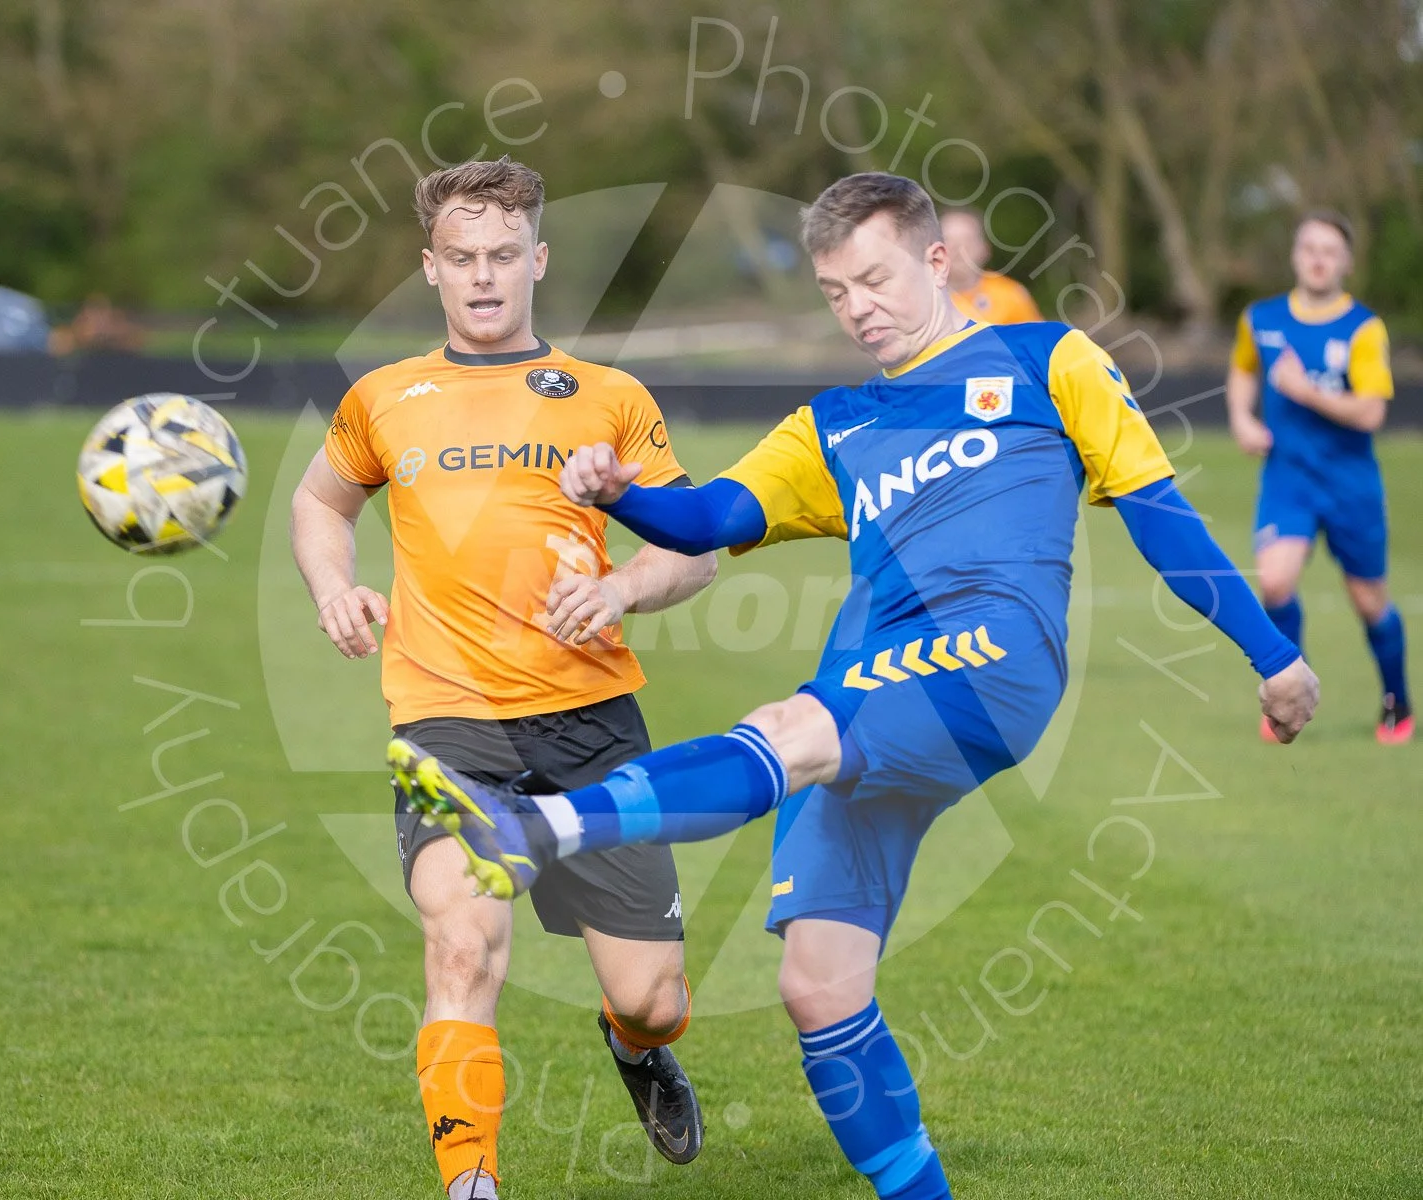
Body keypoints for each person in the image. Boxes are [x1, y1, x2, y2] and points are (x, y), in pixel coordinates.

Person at [387, 172, 1320, 1200]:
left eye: (873, 278)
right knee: (819, 987)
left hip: (993, 658)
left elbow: (1159, 514)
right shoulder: (833, 424)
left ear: (934, 260)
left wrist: (1273, 656)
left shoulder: (1044, 360)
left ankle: (533, 832)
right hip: (872, 685)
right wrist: (623, 493)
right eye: (835, 291)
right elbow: (710, 521)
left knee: (789, 726)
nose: (857, 306)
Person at [290, 156, 716, 1200]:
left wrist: (623, 591)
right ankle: (469, 1180)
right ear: (428, 268)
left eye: (502, 257)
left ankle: (633, 1044)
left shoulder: (608, 399)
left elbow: (694, 547)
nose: (483, 277)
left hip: (593, 729)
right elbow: (319, 505)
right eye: (461, 259)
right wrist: (333, 589)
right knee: (463, 949)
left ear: (539, 259)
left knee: (654, 997)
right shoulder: (384, 399)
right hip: (449, 727)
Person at [1227, 210, 1410, 743]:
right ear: (1294, 254)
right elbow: (1242, 370)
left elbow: (1372, 412)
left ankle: (1396, 700)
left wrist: (1305, 391)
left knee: (1368, 600)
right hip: (1288, 480)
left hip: (1350, 484)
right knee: (1276, 581)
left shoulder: (1362, 329)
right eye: (1309, 247)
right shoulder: (1259, 319)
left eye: (1330, 250)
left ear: (1346, 263)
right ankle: (1290, 698)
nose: (1317, 258)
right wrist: (1241, 418)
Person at [940, 207, 1043, 324]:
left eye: (967, 240)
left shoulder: (1010, 296)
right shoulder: (922, 298)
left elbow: (1037, 339)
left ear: (984, 249)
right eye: (948, 240)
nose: (958, 249)